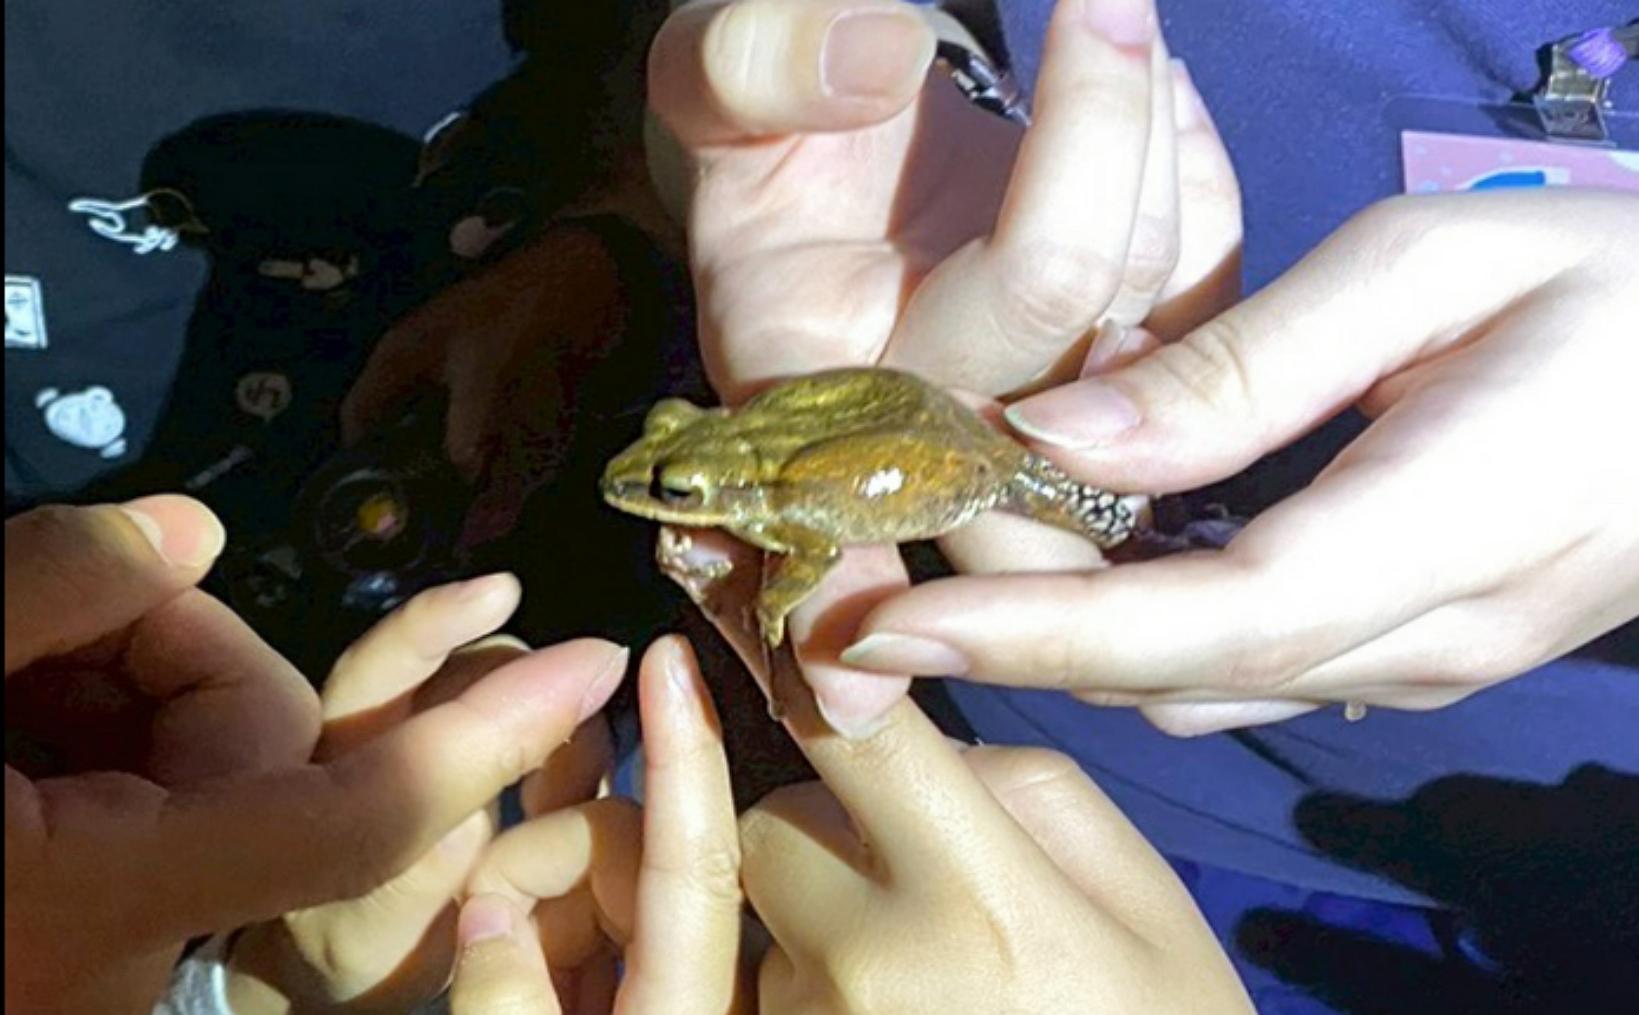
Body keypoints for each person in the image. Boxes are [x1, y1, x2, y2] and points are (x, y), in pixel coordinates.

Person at [642, 0, 1639, 1004]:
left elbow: (805, 545)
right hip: (1071, 763)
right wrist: (873, 80)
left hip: (1558, 837)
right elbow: (747, 74)